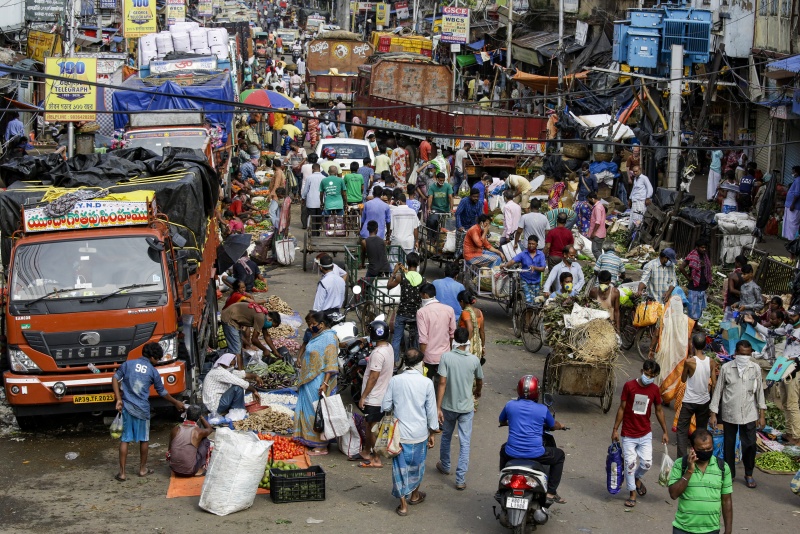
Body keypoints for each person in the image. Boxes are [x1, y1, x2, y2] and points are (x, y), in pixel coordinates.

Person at [112, 342, 186, 481]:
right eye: (157, 359)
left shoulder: (128, 364)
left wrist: (118, 399)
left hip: (127, 407)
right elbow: (162, 392)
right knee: (144, 439)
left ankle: (122, 473)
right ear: (152, 357)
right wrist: (176, 402)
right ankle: (142, 469)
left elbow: (115, 378)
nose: (157, 362)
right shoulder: (152, 371)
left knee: (125, 440)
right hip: (142, 410)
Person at [381, 349, 439, 516]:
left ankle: (403, 506)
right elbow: (431, 413)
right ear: (421, 363)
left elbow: (385, 406)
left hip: (400, 435)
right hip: (420, 434)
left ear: (405, 362)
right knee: (417, 466)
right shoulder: (426, 383)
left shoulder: (395, 380)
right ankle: (414, 494)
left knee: (399, 469)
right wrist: (432, 433)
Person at [499, 375, 568, 505]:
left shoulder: (510, 405)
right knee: (559, 455)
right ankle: (551, 492)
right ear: (537, 392)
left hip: (511, 452)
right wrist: (561, 426)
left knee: (503, 449)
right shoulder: (542, 409)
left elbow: (502, 420)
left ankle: (503, 484)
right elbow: (553, 425)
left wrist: (509, 422)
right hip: (536, 453)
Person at [611, 359, 670, 508]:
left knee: (647, 463)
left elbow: (659, 410)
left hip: (645, 433)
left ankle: (636, 478)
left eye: (651, 376)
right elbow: (622, 408)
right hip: (628, 434)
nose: (648, 377)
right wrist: (615, 429)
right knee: (630, 464)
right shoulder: (629, 386)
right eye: (646, 374)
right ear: (641, 371)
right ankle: (632, 494)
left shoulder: (655, 390)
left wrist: (665, 431)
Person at [709, 340, 766, 489]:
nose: (744, 357)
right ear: (736, 353)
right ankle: (730, 473)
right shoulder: (727, 368)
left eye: (747, 354)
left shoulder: (755, 369)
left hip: (749, 413)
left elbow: (760, 392)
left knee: (750, 445)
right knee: (729, 444)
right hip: (729, 412)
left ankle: (749, 473)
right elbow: (718, 391)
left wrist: (762, 415)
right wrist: (713, 413)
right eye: (741, 354)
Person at [436, 327, 483, 490]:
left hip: (449, 406)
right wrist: (478, 391)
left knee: (446, 436)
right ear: (468, 340)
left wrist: (438, 407)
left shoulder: (446, 357)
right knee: (465, 442)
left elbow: (442, 383)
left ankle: (445, 465)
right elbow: (479, 379)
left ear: (454, 340)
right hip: (466, 408)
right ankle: (460, 479)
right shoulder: (474, 360)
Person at [668, 429, 733, 534]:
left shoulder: (723, 467)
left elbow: (726, 501)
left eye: (709, 448)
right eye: (701, 449)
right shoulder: (680, 464)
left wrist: (728, 531)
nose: (706, 452)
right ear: (692, 448)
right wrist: (689, 471)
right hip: (683, 529)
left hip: (711, 530)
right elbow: (673, 494)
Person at [294, 311, 339, 455]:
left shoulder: (329, 338)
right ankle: (310, 440)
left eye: (314, 324)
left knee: (317, 412)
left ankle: (321, 446)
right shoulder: (316, 336)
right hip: (308, 380)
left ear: (322, 324)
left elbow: (331, 363)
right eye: (309, 324)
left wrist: (324, 384)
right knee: (309, 410)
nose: (311, 327)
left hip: (318, 380)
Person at [357, 320, 395, 467]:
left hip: (374, 398)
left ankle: (376, 459)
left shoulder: (378, 353)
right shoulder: (389, 347)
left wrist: (364, 396)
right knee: (368, 425)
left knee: (373, 427)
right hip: (383, 394)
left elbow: (373, 377)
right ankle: (367, 451)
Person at [675, 333, 718, 458]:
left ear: (692, 345)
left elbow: (683, 379)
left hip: (689, 401)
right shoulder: (711, 361)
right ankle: (699, 456)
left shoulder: (689, 362)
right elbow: (714, 383)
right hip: (704, 401)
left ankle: (682, 459)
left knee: (682, 430)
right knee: (701, 431)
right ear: (705, 345)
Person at [388, 253, 425, 362]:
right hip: (416, 314)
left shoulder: (401, 277)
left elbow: (389, 286)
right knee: (416, 338)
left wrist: (394, 272)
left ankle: (394, 364)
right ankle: (415, 361)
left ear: (407, 263)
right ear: (418, 263)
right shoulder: (423, 279)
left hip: (402, 313)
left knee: (396, 339)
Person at [220, 302, 282, 368]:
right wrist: (265, 350)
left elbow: (266, 336)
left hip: (234, 317)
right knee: (236, 348)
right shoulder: (261, 317)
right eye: (272, 325)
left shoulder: (264, 316)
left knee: (238, 346)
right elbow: (254, 340)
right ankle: (240, 371)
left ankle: (237, 366)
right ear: (270, 319)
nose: (270, 327)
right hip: (229, 318)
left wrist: (275, 352)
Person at [416, 283, 456, 384]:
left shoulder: (421, 312)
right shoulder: (449, 309)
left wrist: (422, 358)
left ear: (425, 295)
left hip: (429, 356)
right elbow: (452, 334)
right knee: (441, 386)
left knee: (426, 385)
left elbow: (423, 339)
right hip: (445, 355)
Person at [201, 352, 262, 417]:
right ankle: (238, 411)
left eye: (233, 365)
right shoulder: (220, 372)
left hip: (217, 402)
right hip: (215, 406)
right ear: (225, 362)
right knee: (237, 388)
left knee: (236, 387)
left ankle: (234, 409)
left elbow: (241, 374)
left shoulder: (225, 369)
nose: (232, 367)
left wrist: (255, 376)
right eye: (230, 365)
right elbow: (241, 382)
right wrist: (254, 391)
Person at [167, 405, 213, 477]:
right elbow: (210, 429)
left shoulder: (175, 429)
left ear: (186, 415)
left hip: (174, 469)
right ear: (198, 418)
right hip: (190, 471)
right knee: (205, 440)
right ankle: (200, 468)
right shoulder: (198, 431)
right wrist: (201, 417)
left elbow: (169, 449)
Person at [502, 235, 546, 304]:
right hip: (525, 280)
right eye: (529, 243)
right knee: (528, 301)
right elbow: (513, 261)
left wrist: (535, 268)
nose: (531, 245)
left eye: (533, 244)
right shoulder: (523, 254)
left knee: (536, 302)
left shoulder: (541, 255)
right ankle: (526, 313)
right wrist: (505, 266)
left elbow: (543, 268)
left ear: (536, 245)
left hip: (536, 281)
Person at [678, 239, 712, 321]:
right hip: (694, 287)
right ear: (697, 247)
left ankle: (696, 325)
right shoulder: (692, 256)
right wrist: (688, 277)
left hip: (703, 286)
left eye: (705, 247)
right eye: (702, 247)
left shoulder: (705, 256)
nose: (704, 249)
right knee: (692, 308)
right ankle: (691, 325)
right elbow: (681, 267)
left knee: (700, 307)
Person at [302, 163, 327, 235]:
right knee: (319, 218)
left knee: (312, 218)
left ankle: (314, 234)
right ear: (320, 169)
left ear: (312, 169)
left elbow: (306, 190)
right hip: (321, 202)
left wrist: (303, 197)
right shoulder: (324, 178)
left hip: (311, 201)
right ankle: (317, 232)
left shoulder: (309, 178)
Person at [585, 192, 607, 259]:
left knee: (595, 250)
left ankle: (601, 263)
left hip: (597, 233)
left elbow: (598, 222)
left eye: (589, 200)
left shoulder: (597, 207)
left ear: (592, 199)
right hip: (601, 232)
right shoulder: (600, 206)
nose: (589, 201)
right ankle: (600, 265)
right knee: (599, 250)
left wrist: (594, 232)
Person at [784, 165, 800, 240]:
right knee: (790, 224)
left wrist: (792, 204)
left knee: (793, 224)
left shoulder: (799, 180)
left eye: (793, 171)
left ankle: (793, 240)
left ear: (797, 172)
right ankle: (790, 239)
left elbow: (797, 194)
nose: (792, 173)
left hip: (794, 206)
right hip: (791, 205)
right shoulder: (797, 180)